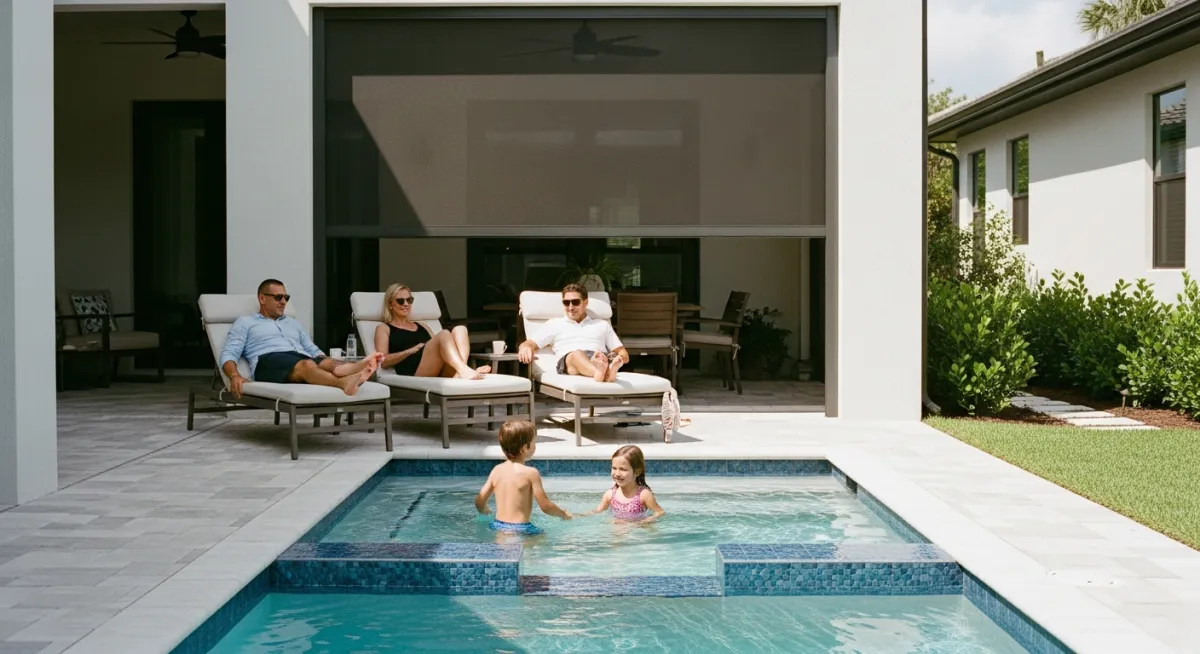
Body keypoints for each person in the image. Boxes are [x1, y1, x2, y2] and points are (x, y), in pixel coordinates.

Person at [219, 279, 383, 398]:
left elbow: (311, 348)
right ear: (262, 298)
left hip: (298, 356)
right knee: (307, 364)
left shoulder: (292, 323)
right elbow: (229, 354)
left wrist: (326, 360)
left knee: (327, 362)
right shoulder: (246, 322)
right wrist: (234, 375)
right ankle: (344, 383)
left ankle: (360, 366)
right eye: (278, 297)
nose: (283, 302)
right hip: (268, 360)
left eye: (286, 297)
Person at [372, 283, 492, 380]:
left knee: (460, 329)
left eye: (409, 300)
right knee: (444, 333)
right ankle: (464, 370)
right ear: (390, 304)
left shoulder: (422, 325)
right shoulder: (384, 328)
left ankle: (462, 370)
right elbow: (383, 362)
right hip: (414, 370)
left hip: (437, 369)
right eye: (400, 301)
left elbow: (443, 350)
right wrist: (409, 351)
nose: (406, 304)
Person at [474, 420, 572, 535]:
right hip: (521, 528)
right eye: (534, 442)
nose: (535, 445)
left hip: (498, 525)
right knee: (541, 542)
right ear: (525, 448)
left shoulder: (496, 470)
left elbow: (479, 502)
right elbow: (546, 506)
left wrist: (485, 511)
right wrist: (563, 514)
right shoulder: (531, 473)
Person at [516, 283, 629, 382]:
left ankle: (602, 371)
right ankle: (604, 373)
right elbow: (529, 344)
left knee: (602, 357)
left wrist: (618, 359)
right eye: (566, 303)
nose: (570, 307)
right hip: (570, 361)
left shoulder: (602, 324)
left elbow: (623, 354)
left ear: (585, 303)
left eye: (575, 302)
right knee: (576, 354)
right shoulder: (554, 324)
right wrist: (525, 348)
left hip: (599, 358)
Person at [580, 445, 665, 522]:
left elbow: (660, 513)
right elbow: (596, 512)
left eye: (623, 469)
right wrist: (575, 516)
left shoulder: (643, 495)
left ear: (637, 472)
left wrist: (640, 523)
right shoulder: (610, 495)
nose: (617, 474)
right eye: (614, 468)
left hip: (637, 534)